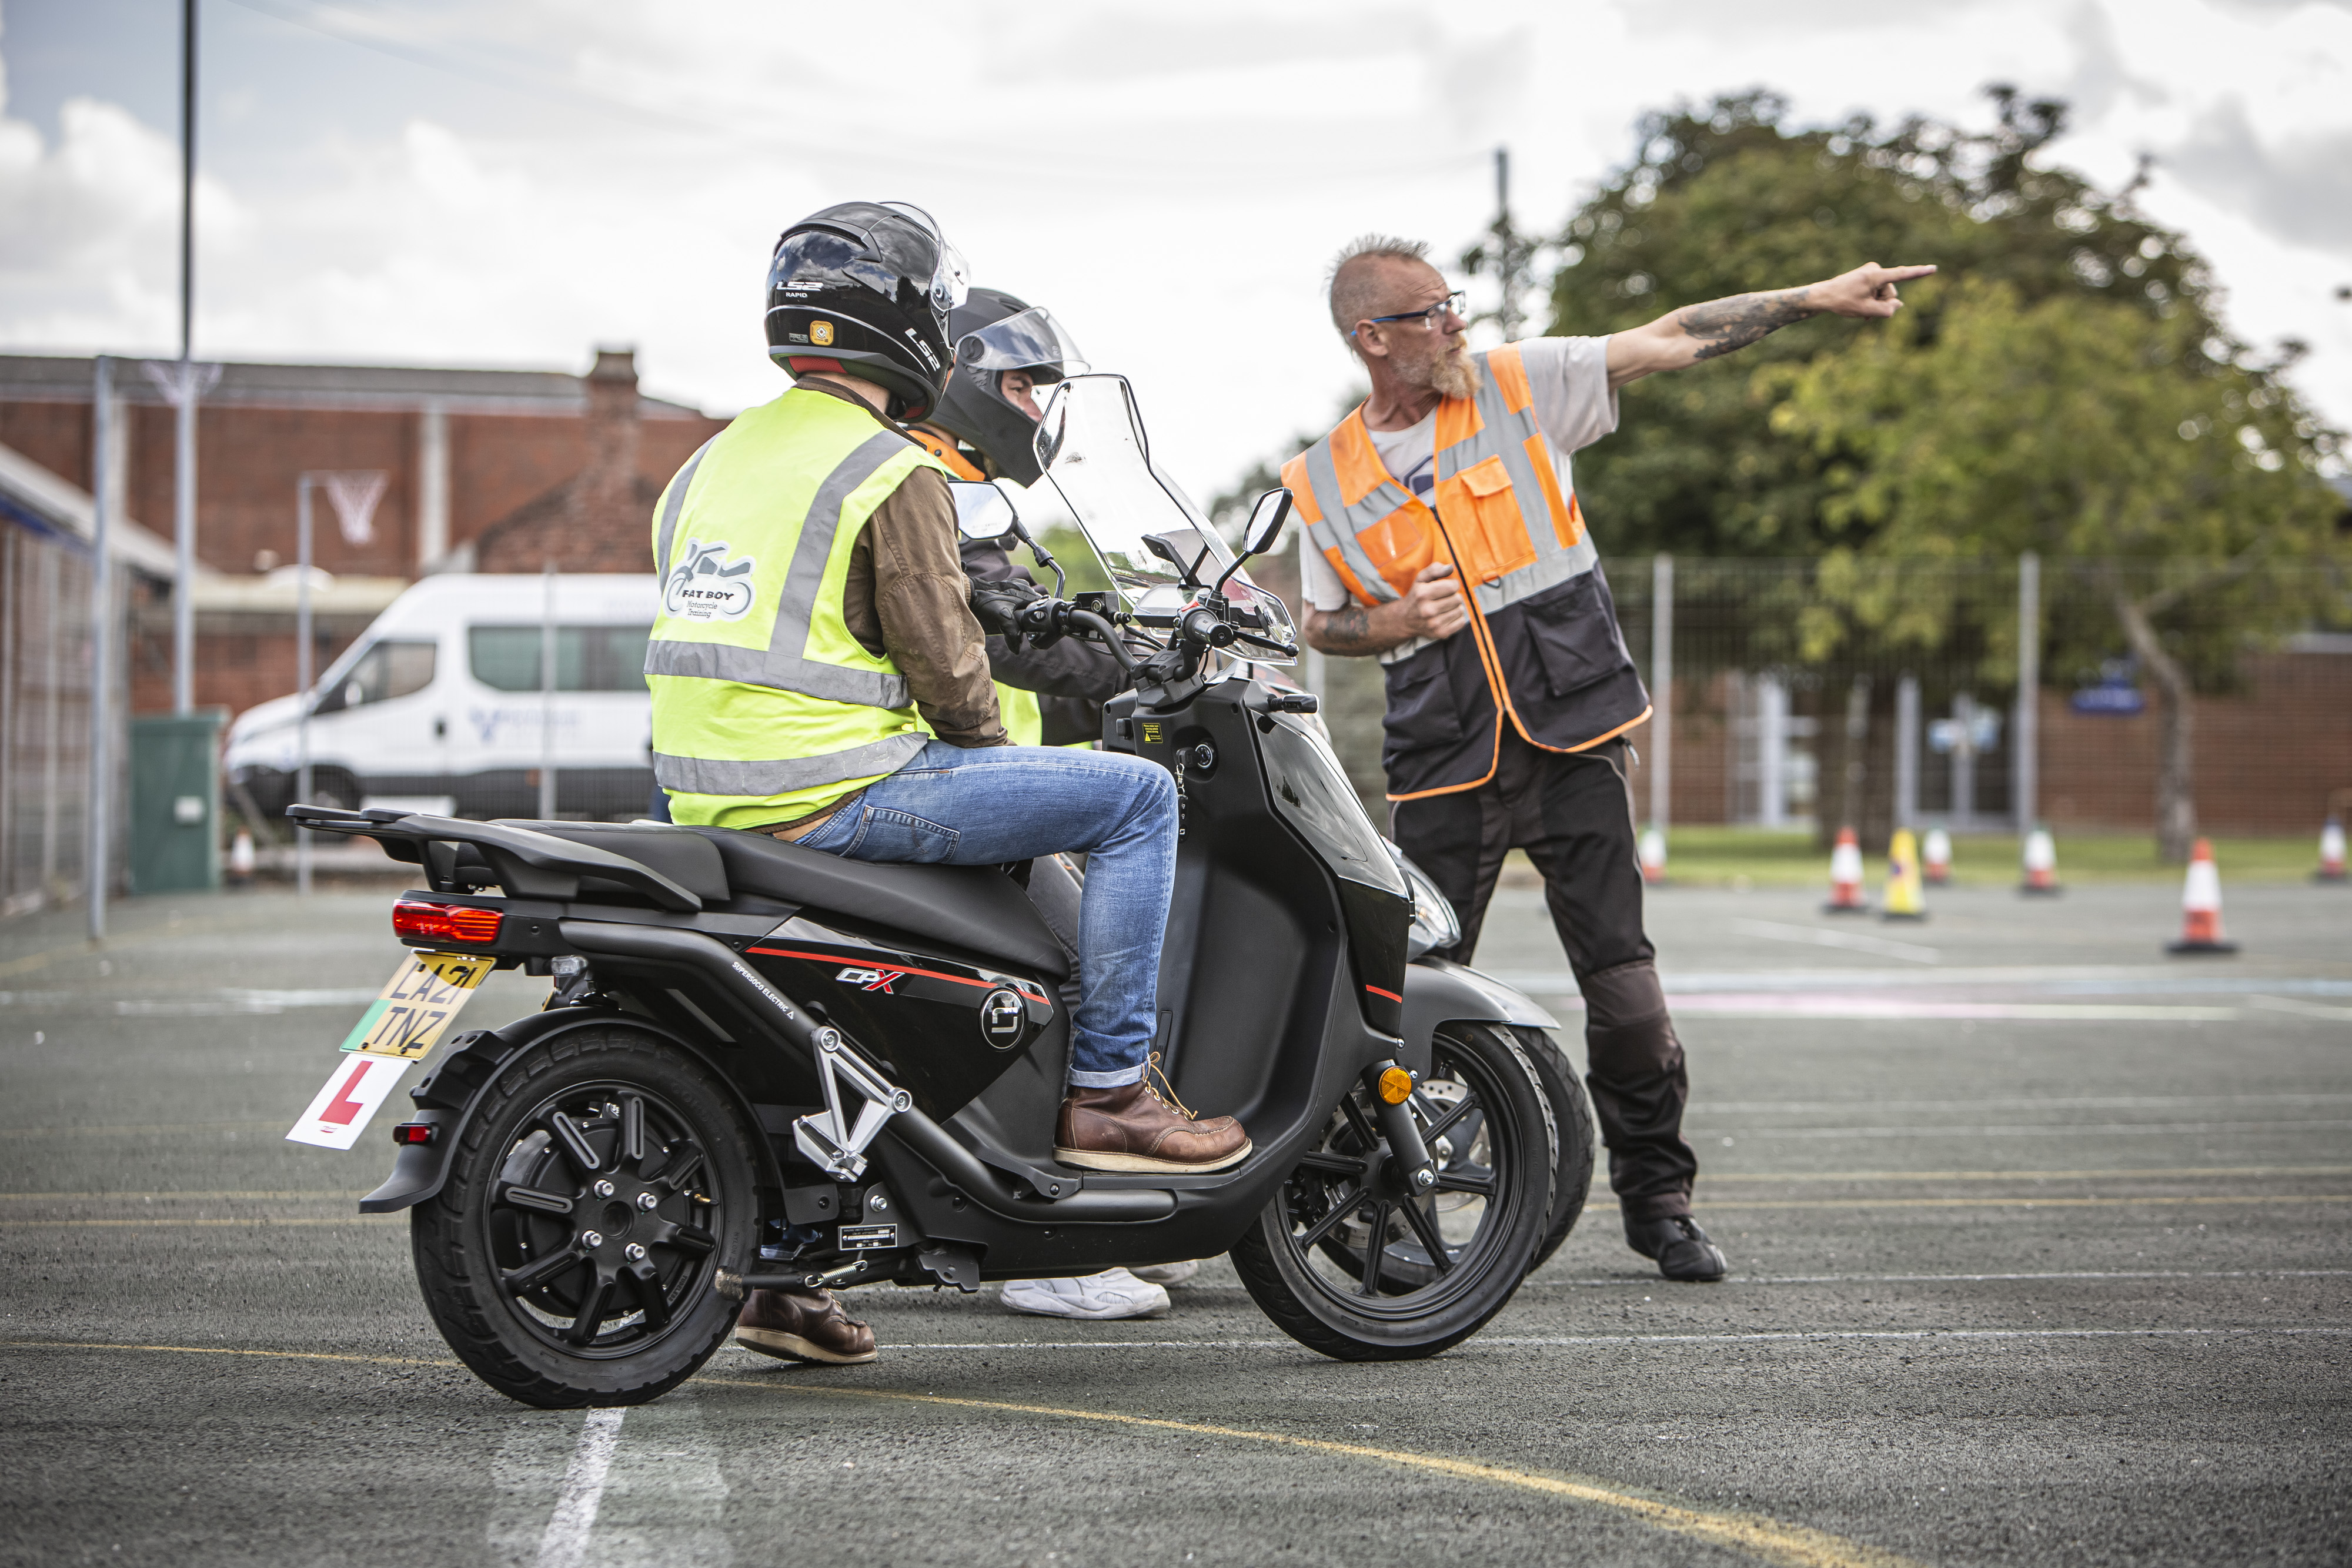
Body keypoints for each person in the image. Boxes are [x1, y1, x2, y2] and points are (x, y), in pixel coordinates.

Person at [646, 202, 1251, 1365]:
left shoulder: (706, 463)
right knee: (1134, 797)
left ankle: (777, 1272)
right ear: (914, 325)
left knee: (815, 1031)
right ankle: (1116, 1091)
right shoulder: (885, 465)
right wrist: (995, 757)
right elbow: (951, 673)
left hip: (707, 804)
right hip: (839, 788)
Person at [1284, 236, 1933, 1283]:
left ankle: (1658, 1199)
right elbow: (1323, 624)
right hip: (1445, 757)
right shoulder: (1324, 480)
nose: (1457, 323)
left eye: (1455, 303)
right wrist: (1398, 615)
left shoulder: (1519, 384)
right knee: (1404, 996)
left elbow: (1673, 338)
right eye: (1432, 312)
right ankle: (1390, 1199)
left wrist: (1816, 295)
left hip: (1572, 736)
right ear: (1373, 338)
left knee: (1625, 991)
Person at [913, 286, 1201, 1320]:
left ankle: (1106, 1211)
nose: (1038, 404)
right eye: (1023, 382)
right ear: (962, 380)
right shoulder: (931, 482)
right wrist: (1143, 654)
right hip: (930, 780)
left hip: (918, 771)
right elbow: (1008, 630)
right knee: (1077, 963)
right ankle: (1053, 1241)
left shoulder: (949, 480)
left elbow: (1015, 619)